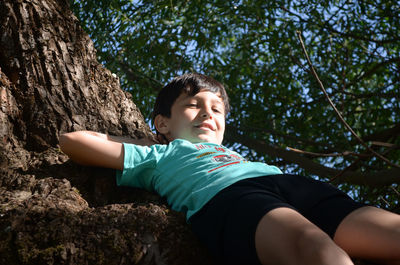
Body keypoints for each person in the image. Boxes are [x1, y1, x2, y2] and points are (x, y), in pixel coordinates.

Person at [59, 73, 400, 265]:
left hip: (288, 185)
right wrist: (150, 142)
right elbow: (74, 141)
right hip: (229, 200)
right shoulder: (158, 154)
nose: (208, 114)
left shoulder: (241, 155)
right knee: (318, 252)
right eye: (193, 106)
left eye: (216, 110)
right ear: (162, 122)